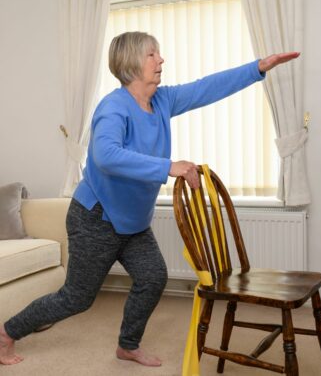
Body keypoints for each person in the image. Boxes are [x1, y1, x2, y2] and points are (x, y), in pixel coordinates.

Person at [0, 31, 299, 367]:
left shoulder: (162, 101)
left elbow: (206, 88)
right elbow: (106, 156)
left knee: (153, 277)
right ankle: (7, 333)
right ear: (131, 63)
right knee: (77, 298)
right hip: (96, 218)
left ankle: (128, 345)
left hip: (133, 220)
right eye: (152, 55)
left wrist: (257, 68)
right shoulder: (113, 107)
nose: (161, 60)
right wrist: (169, 167)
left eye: (158, 54)